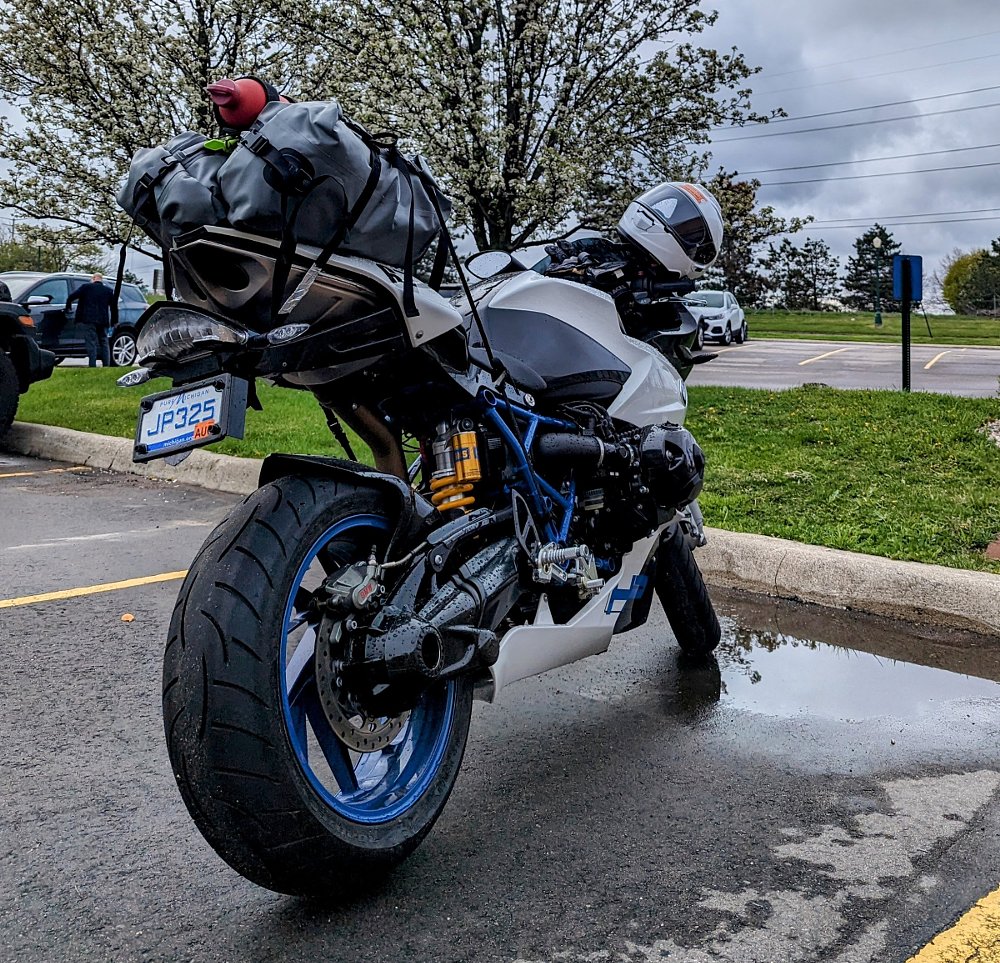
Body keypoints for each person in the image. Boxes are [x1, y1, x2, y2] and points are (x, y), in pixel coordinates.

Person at [65, 273, 114, 367]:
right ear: (101, 279)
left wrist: (68, 307)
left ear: (93, 279)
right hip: (103, 320)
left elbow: (72, 297)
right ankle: (106, 364)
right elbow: (113, 306)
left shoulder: (86, 287)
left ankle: (92, 364)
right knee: (104, 342)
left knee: (91, 342)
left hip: (89, 319)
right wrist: (114, 321)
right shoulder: (108, 291)